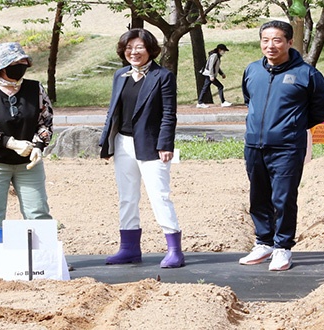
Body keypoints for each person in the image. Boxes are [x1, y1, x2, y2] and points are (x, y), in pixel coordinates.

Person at [240, 20, 324, 271]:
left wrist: (291, 127)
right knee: (258, 196)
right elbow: (250, 101)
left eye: (277, 40)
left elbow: (320, 111)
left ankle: (282, 247)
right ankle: (263, 242)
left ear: (290, 42)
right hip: (254, 146)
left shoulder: (307, 74)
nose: (270, 45)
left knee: (283, 198)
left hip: (288, 148)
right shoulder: (252, 70)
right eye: (265, 40)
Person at [99, 28, 185, 268]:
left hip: (152, 145)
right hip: (123, 143)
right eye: (128, 48)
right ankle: (128, 248)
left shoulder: (162, 76)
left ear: (150, 50)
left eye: (139, 48)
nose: (133, 52)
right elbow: (113, 111)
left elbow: (169, 113)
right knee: (127, 197)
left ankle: (174, 250)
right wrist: (106, 143)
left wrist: (166, 144)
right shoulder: (120, 75)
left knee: (159, 196)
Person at [0, 42, 54, 275]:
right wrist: (11, 143)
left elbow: (45, 121)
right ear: (1, 67)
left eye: (22, 64)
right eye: (14, 64)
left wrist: (38, 145)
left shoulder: (36, 90)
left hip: (28, 162)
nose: (20, 68)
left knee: (38, 209)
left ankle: (46, 257)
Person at [196, 44, 232, 108]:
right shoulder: (214, 55)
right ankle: (223, 102)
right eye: (223, 50)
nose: (224, 52)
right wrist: (211, 76)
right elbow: (211, 66)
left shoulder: (217, 56)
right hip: (209, 74)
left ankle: (200, 102)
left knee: (206, 88)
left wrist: (221, 74)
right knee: (220, 86)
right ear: (219, 50)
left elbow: (216, 67)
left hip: (209, 74)